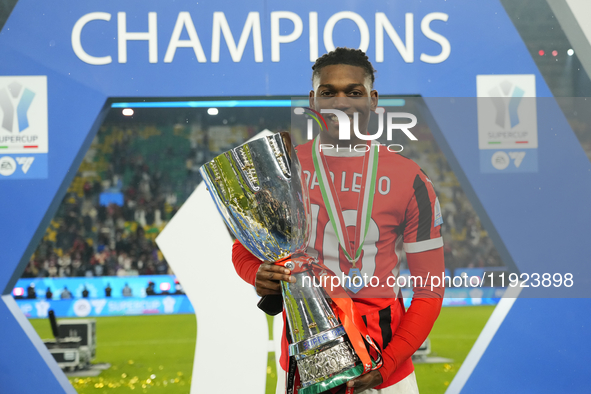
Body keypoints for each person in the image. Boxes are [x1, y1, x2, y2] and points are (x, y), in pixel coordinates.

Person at [232, 48, 445, 394]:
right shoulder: (286, 169)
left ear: (373, 100)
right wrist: (256, 274)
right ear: (313, 100)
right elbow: (243, 249)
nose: (341, 102)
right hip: (305, 367)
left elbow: (430, 289)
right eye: (328, 92)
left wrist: (387, 368)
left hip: (385, 371)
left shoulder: (411, 179)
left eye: (354, 92)